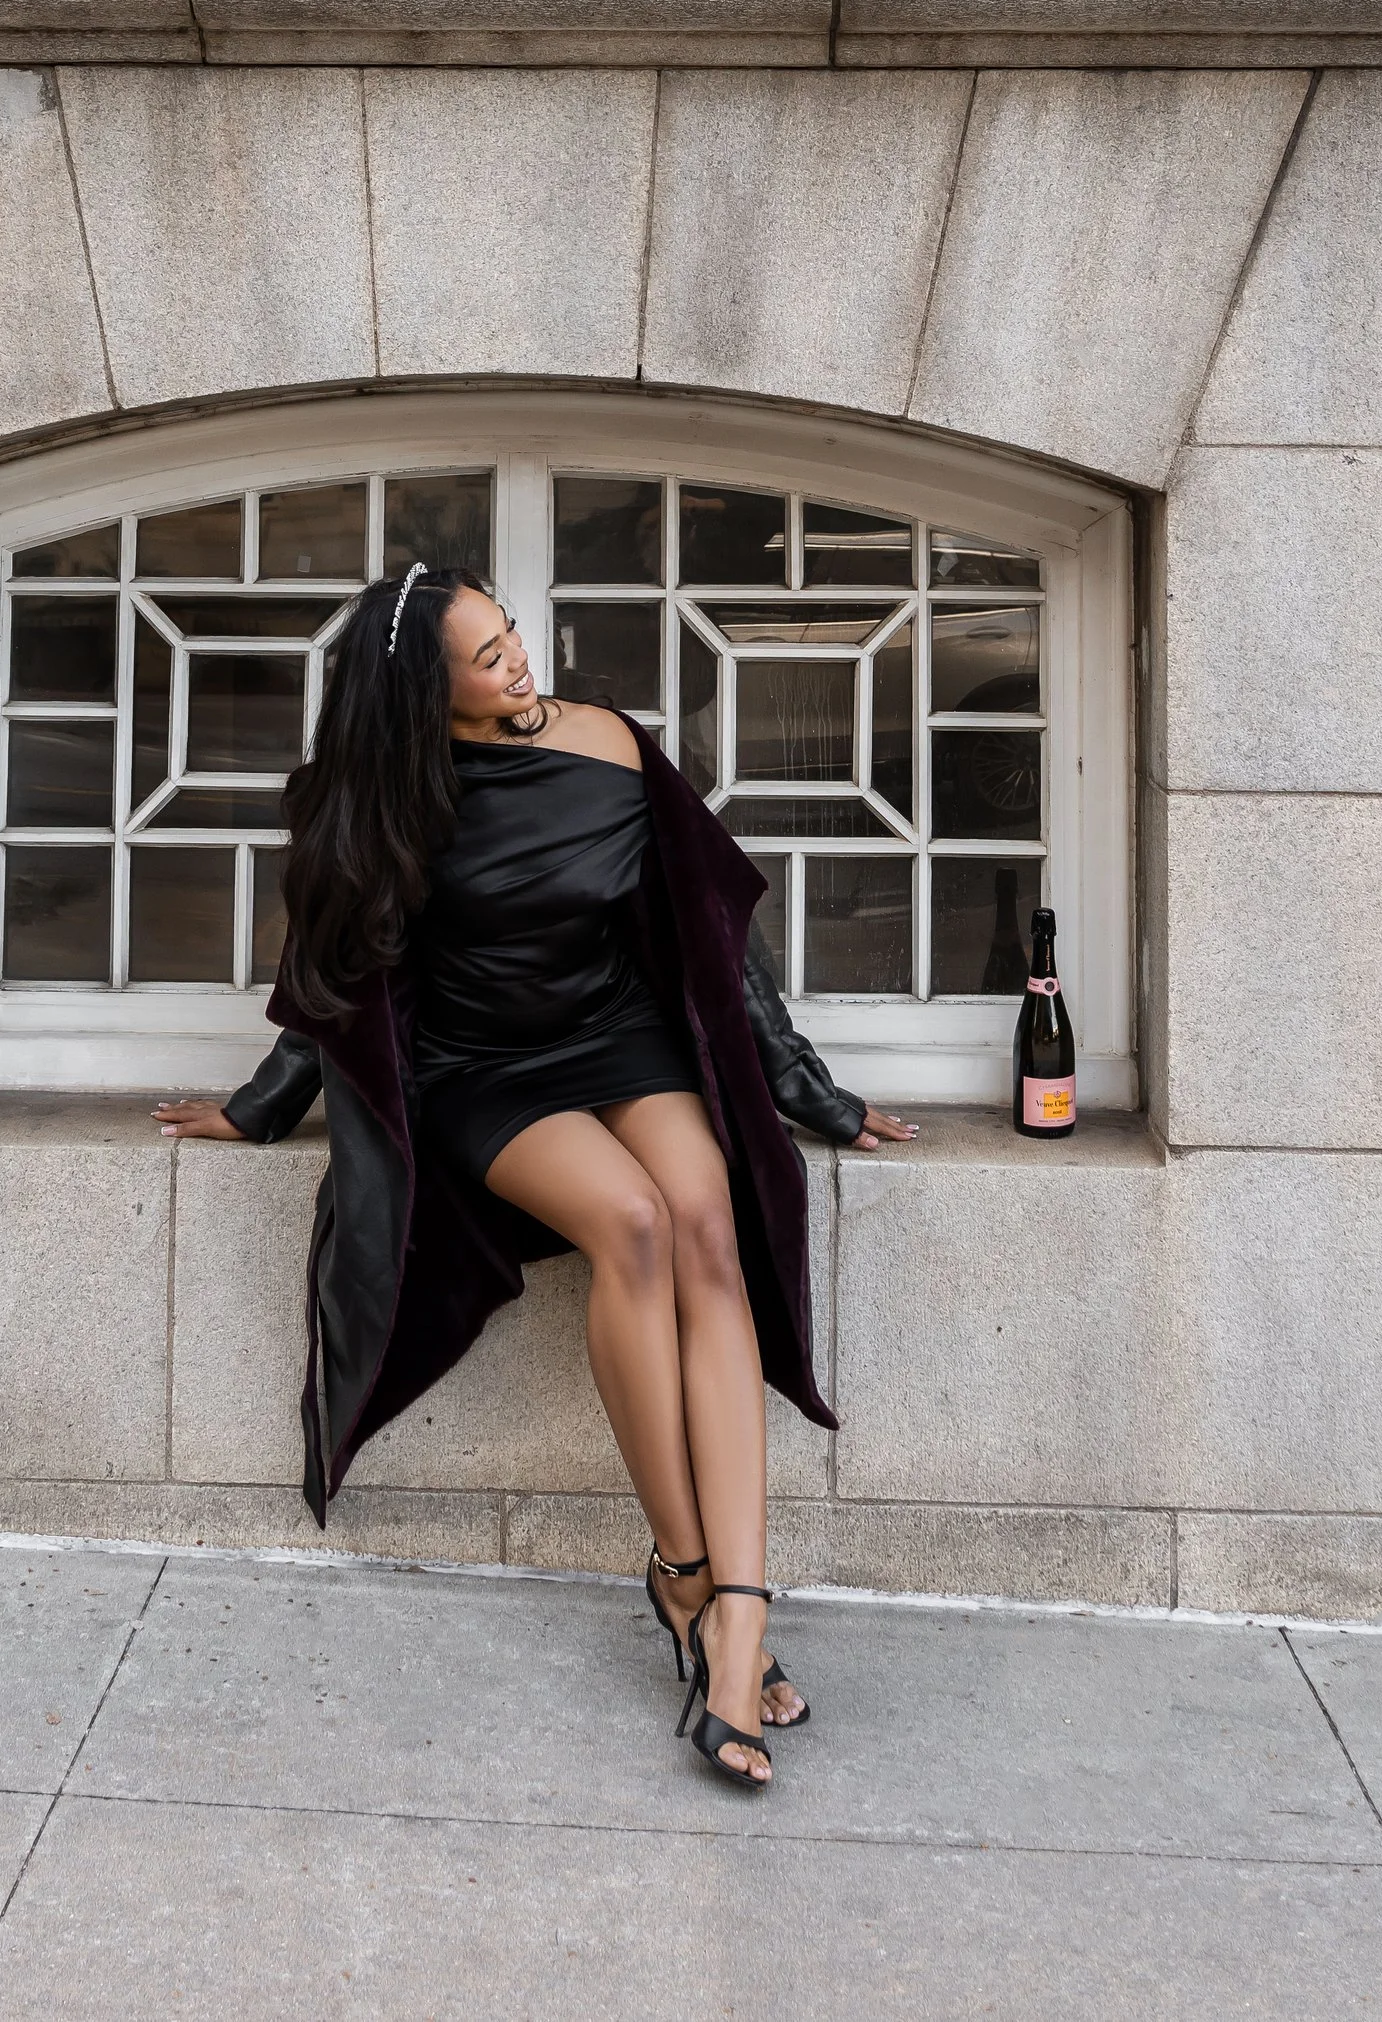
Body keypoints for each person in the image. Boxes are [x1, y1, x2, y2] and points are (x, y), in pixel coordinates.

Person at [157, 563, 915, 1788]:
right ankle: (680, 1572)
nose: (519, 660)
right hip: (479, 1069)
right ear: (420, 692)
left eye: (511, 633)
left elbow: (721, 938)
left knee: (706, 1227)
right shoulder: (380, 801)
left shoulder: (613, 745)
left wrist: (807, 1089)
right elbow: (334, 989)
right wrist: (259, 1111)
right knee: (631, 1223)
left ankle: (742, 1614)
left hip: (620, 1038)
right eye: (487, 653)